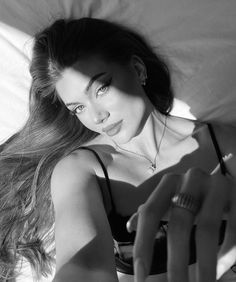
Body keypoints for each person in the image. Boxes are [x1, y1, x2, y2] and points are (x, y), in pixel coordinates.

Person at [0, 17, 235, 282]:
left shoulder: (223, 142)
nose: (97, 117)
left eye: (101, 89)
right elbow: (84, 264)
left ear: (137, 69)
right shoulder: (81, 169)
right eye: (78, 108)